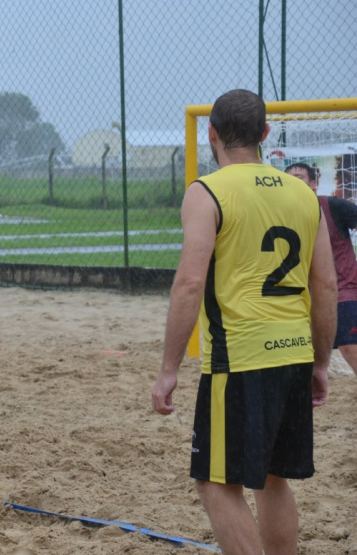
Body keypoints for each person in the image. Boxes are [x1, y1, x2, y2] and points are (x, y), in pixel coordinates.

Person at [150, 89, 337, 555]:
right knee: (273, 479)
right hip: (294, 351)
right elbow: (327, 287)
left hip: (240, 358)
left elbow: (189, 284)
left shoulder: (207, 191)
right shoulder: (304, 193)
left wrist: (169, 368)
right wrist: (319, 363)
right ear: (265, 135)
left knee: (215, 482)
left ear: (210, 133)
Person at [287, 162, 357, 375]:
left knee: (349, 346)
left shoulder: (333, 206)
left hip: (343, 291)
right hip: (304, 295)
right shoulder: (281, 215)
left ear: (314, 184)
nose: (292, 184)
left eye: (298, 178)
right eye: (288, 180)